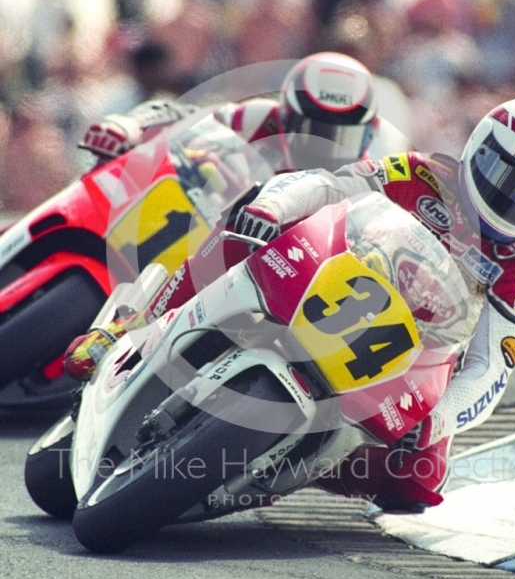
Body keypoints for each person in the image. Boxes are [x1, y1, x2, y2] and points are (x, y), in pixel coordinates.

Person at [231, 96, 515, 511]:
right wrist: (272, 207)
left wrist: (438, 419)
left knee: (416, 480)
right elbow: (330, 183)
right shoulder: (421, 172)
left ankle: (294, 461)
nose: (514, 200)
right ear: (480, 149)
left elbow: (490, 368)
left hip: (411, 357)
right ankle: (157, 323)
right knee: (244, 229)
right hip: (330, 282)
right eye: (507, 176)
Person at [64, 51, 380, 375]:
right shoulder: (260, 118)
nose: (319, 148)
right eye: (310, 129)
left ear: (370, 132)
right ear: (286, 114)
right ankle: (123, 327)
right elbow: (182, 117)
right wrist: (131, 126)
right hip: (215, 229)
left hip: (282, 281)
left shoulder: (366, 179)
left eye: (339, 137)